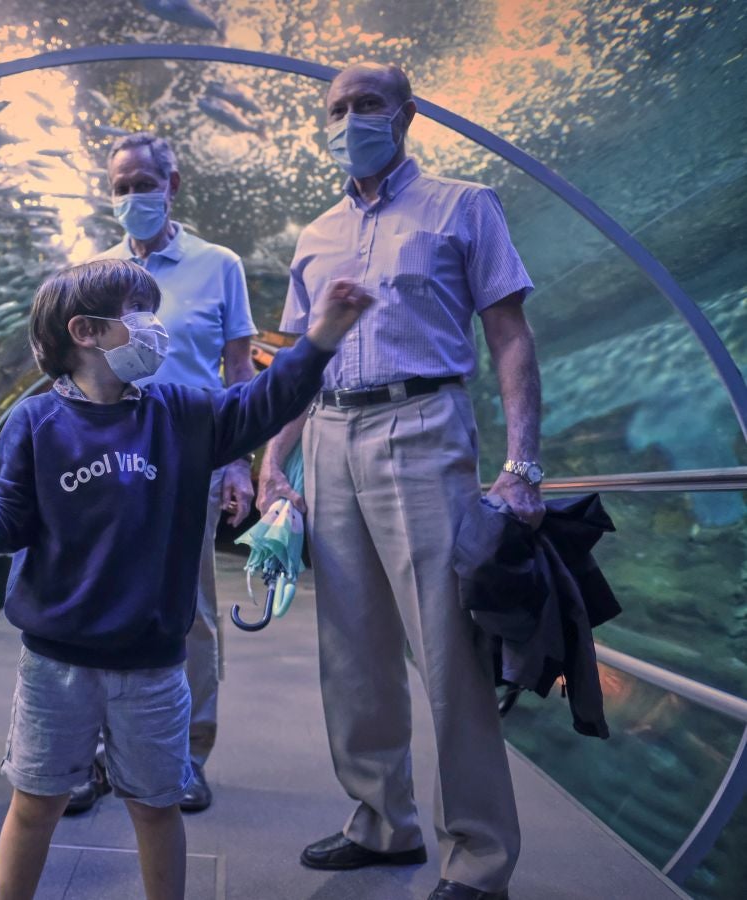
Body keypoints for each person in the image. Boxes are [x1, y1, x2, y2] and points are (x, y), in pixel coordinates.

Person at [0, 258, 372, 900]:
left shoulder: (181, 413)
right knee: (35, 803)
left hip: (153, 665)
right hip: (55, 664)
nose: (154, 327)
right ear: (85, 331)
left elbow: (263, 403)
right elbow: (9, 520)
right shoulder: (34, 422)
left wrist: (321, 338)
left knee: (156, 806)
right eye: (139, 313)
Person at [258, 62, 543, 900]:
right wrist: (273, 460)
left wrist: (522, 466)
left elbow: (510, 335)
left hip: (423, 425)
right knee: (350, 646)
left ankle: (480, 857)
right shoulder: (314, 234)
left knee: (447, 644)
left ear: (406, 115)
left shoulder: (465, 205)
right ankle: (382, 822)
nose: (349, 121)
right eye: (336, 109)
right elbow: (298, 360)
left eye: (367, 105)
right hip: (329, 432)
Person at [72, 131, 257, 814]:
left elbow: (239, 370)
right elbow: (78, 367)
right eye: (120, 187)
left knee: (190, 612)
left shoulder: (219, 265)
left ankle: (186, 755)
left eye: (144, 183)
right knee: (100, 600)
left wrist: (238, 459)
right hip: (107, 459)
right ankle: (96, 755)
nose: (132, 196)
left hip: (189, 457)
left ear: (172, 186)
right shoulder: (94, 271)